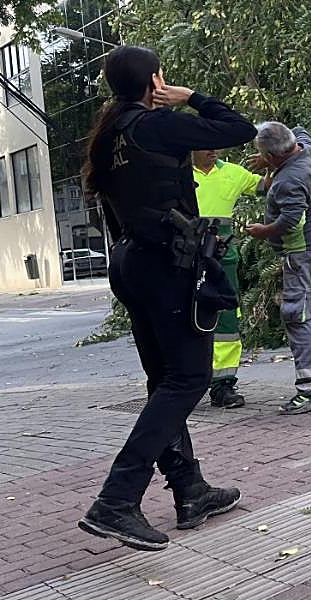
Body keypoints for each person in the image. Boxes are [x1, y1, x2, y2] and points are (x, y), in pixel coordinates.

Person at [79, 46, 257, 551]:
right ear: (154, 80)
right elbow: (238, 129)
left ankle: (189, 489)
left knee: (165, 379)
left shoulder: (109, 134)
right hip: (165, 264)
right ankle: (116, 499)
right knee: (190, 377)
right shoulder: (154, 126)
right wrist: (192, 97)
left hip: (131, 264)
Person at [245, 122, 311, 415]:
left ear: (275, 158)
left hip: (307, 257)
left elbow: (290, 219)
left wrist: (264, 231)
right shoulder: (310, 150)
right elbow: (300, 128)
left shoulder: (289, 180)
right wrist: (268, 156)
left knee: (299, 316)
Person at [192, 148, 269, 409]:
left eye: (216, 145)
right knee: (183, 318)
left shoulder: (233, 173)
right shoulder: (177, 174)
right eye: (206, 146)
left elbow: (269, 186)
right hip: (186, 258)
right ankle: (182, 384)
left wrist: (272, 159)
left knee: (226, 322)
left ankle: (223, 386)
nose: (213, 151)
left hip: (223, 259)